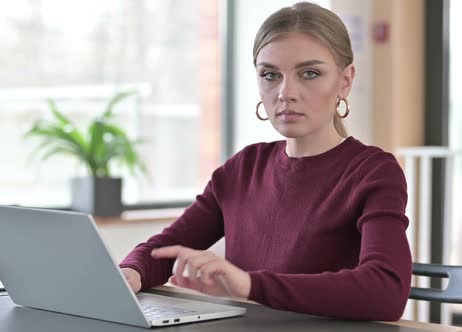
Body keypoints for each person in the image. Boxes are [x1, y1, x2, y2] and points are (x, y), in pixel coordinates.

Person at [120, 2, 412, 321]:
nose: (286, 93)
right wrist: (131, 273)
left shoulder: (372, 172)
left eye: (309, 73)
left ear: (345, 80)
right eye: (271, 75)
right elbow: (164, 249)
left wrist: (248, 285)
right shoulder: (244, 167)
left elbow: (386, 291)